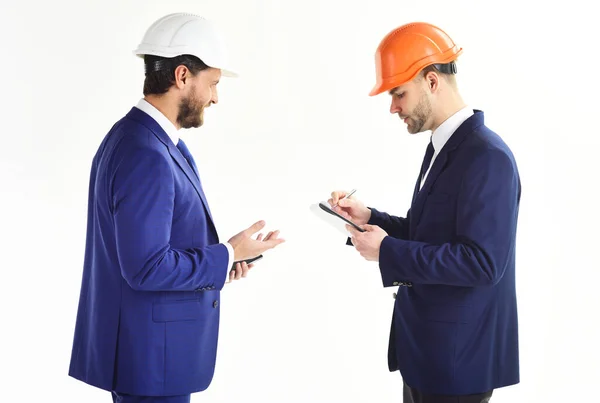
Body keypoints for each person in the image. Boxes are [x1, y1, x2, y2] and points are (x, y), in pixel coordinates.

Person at [68, 13, 285, 403]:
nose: (216, 97)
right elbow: (146, 267)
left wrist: (220, 266)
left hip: (149, 358)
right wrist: (228, 252)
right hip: (152, 364)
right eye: (213, 84)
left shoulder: (146, 140)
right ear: (182, 76)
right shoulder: (145, 153)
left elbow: (147, 253)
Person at [329, 22, 521, 403]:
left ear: (431, 81)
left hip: (459, 363)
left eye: (398, 93)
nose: (392, 107)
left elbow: (482, 263)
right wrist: (370, 218)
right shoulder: (442, 147)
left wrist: (387, 251)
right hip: (430, 354)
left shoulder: (487, 157)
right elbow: (429, 234)